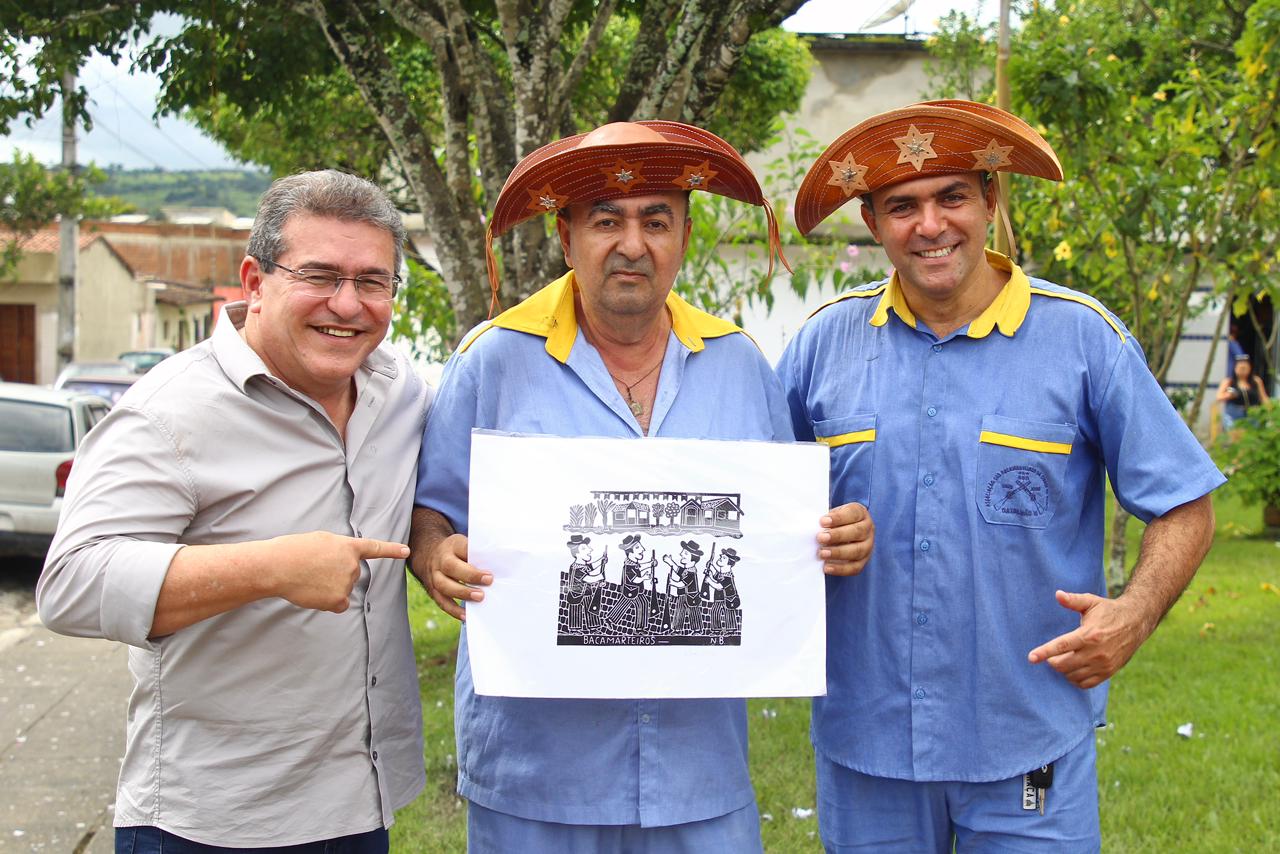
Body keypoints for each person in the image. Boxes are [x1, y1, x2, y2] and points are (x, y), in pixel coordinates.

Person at [410, 120, 874, 853]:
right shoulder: (493, 360)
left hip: (698, 770)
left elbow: (780, 531)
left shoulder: (738, 365)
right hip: (536, 771)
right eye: (607, 222)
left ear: (684, 238)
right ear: (566, 238)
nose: (633, 244)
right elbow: (431, 511)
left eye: (656, 221)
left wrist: (832, 538)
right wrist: (436, 557)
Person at [779, 100, 1224, 852]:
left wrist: (1136, 614)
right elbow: (741, 499)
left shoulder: (1083, 339)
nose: (930, 225)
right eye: (902, 207)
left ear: (991, 199)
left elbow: (1185, 505)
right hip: (867, 741)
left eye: (951, 196)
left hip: (1028, 739)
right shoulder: (823, 345)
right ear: (871, 220)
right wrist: (810, 532)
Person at [37, 171, 431, 853]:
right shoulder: (169, 411)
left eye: (373, 281)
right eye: (320, 275)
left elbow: (437, 494)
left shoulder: (401, 394)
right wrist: (271, 568)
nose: (349, 303)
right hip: (212, 822)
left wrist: (429, 538)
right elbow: (71, 584)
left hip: (361, 805)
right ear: (254, 280)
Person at [1216, 352, 1269, 434]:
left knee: (1252, 436)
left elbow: (1264, 398)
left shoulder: (1256, 381)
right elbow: (1219, 397)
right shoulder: (1229, 381)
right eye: (1240, 367)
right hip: (1234, 414)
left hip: (1253, 414)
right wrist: (1230, 395)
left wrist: (1270, 410)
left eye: (1245, 367)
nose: (1243, 369)